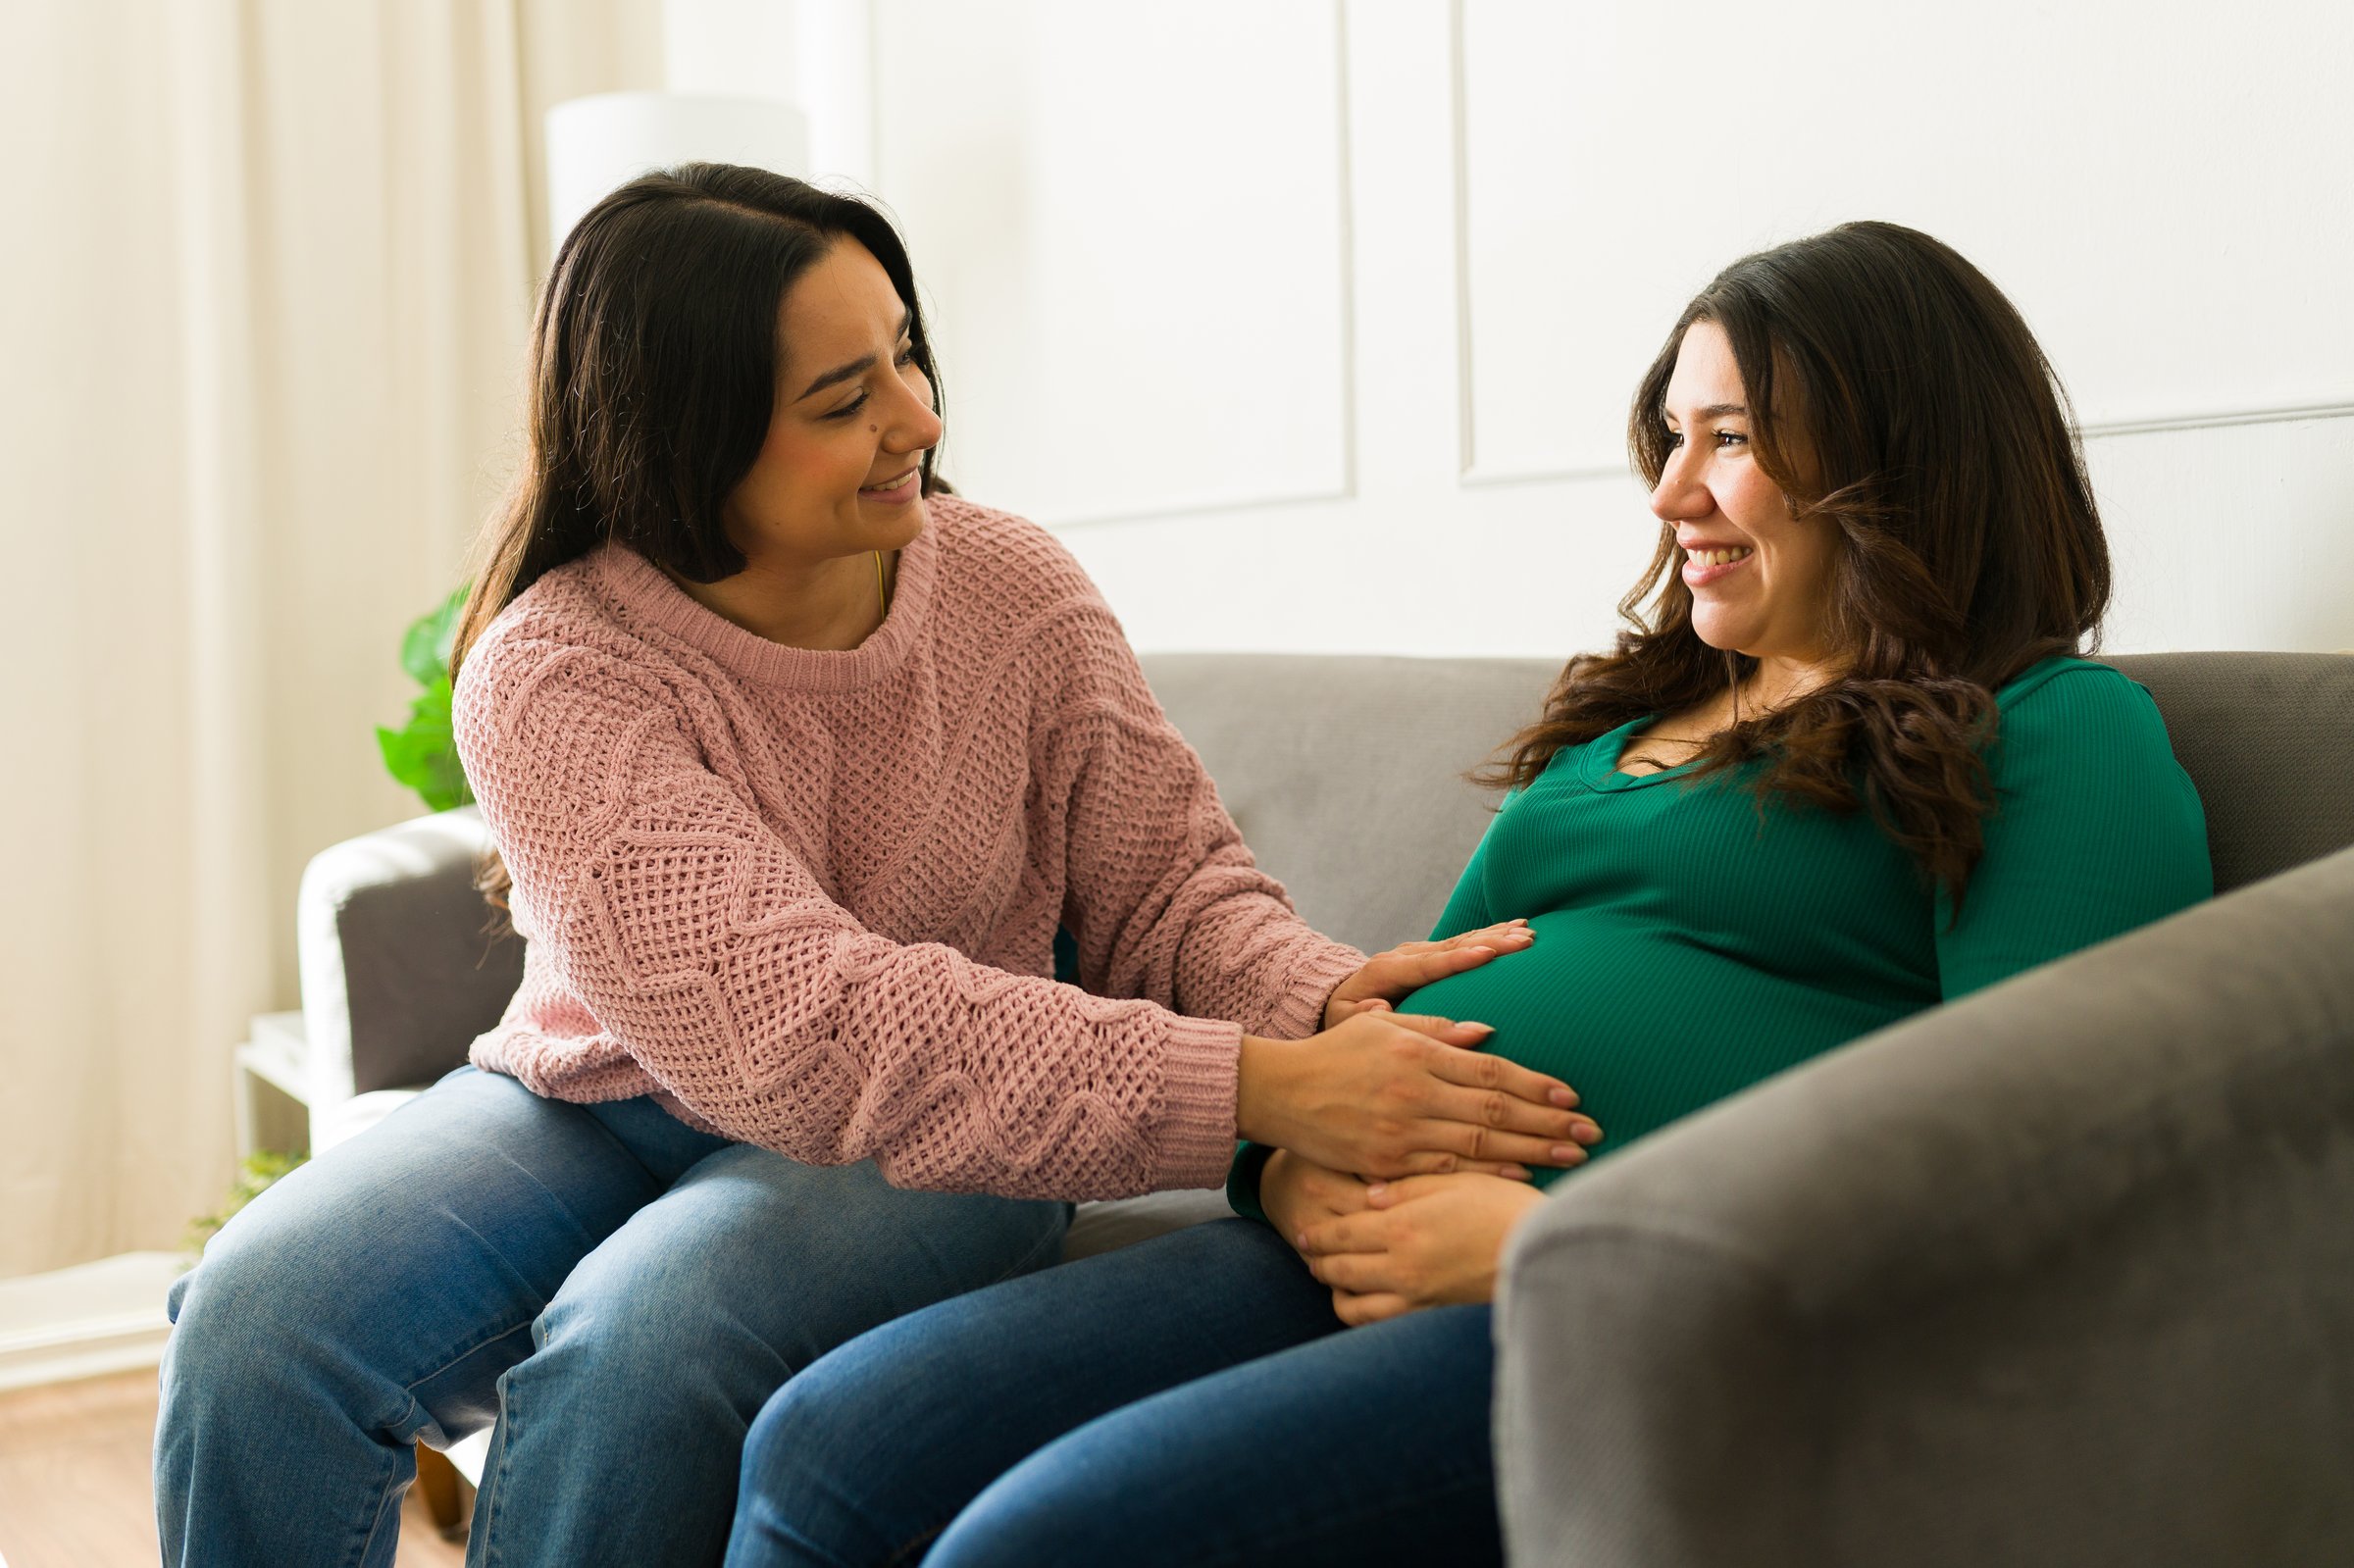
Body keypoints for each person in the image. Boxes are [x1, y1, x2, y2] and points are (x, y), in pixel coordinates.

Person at [151, 164, 1599, 1568]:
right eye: (843, 399)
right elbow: (791, 1018)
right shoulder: (555, 669)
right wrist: (1254, 1087)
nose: (916, 415)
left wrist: (1326, 1009)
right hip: (601, 1098)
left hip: (944, 1142)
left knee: (654, 1340)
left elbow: (1172, 890)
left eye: (904, 356)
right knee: (257, 1318)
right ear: (685, 435)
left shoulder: (1010, 589)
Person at [721, 221, 2215, 1568]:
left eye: (1735, 438)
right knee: (829, 1448)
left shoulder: (2051, 731)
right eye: (1671, 435)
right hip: (1334, 1239)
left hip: (1593, 1311)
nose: (1673, 490)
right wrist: (1294, 1174)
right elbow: (1386, 1019)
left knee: (1037, 1547)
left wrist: (1547, 1252)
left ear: (1900, 466)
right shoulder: (1616, 739)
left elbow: (2051, 1187)